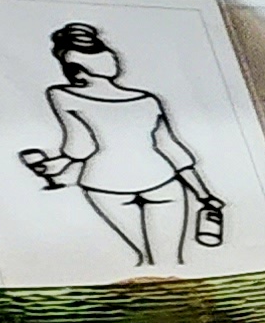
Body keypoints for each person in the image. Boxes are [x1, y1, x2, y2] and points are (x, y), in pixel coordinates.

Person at [18, 21, 226, 267]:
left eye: (104, 52)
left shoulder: (63, 95)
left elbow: (80, 148)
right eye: (97, 54)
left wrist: (57, 166)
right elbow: (170, 148)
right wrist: (203, 194)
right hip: (155, 179)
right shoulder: (145, 100)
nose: (111, 57)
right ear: (78, 67)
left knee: (152, 262)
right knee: (166, 262)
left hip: (109, 183)